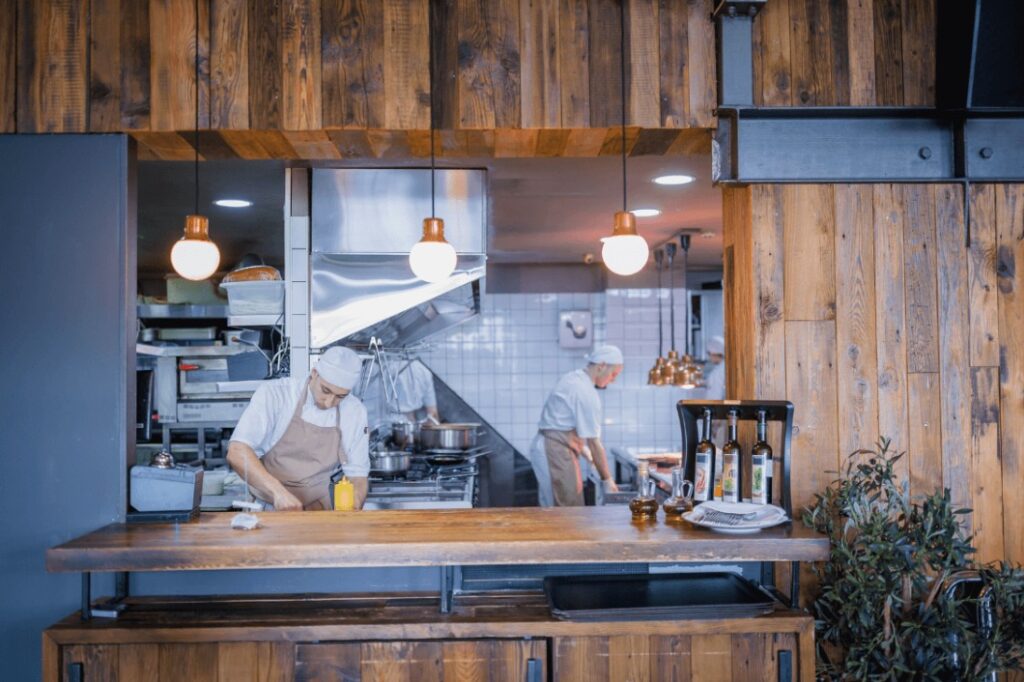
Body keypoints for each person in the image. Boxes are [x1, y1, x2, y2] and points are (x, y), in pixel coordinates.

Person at [227, 346, 370, 511]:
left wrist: (354, 505)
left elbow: (357, 475)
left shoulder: (355, 411)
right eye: (326, 391)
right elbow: (237, 452)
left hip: (318, 511)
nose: (329, 402)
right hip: (269, 509)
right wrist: (278, 493)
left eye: (340, 396)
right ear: (314, 373)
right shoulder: (276, 394)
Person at [528, 345, 623, 507]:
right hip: (554, 451)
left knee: (556, 507)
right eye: (613, 374)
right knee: (566, 509)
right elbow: (594, 442)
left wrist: (584, 451)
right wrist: (607, 480)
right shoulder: (584, 391)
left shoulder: (574, 379)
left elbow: (564, 424)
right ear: (601, 366)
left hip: (553, 447)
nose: (613, 380)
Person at [362, 358, 439, 428]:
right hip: (411, 426)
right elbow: (433, 414)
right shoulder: (423, 370)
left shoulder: (383, 367)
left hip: (386, 424)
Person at [702, 335, 725, 399]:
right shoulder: (722, 367)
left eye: (709, 354)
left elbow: (715, 396)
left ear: (714, 354)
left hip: (716, 407)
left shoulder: (718, 372)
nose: (709, 357)